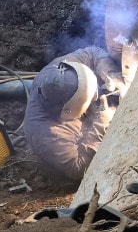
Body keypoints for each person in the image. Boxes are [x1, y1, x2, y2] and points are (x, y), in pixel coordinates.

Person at [18, 46, 122, 185]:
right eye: (90, 98)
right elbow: (78, 169)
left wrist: (109, 73)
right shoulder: (49, 136)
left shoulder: (59, 69)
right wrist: (102, 122)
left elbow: (93, 53)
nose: (96, 97)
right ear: (68, 112)